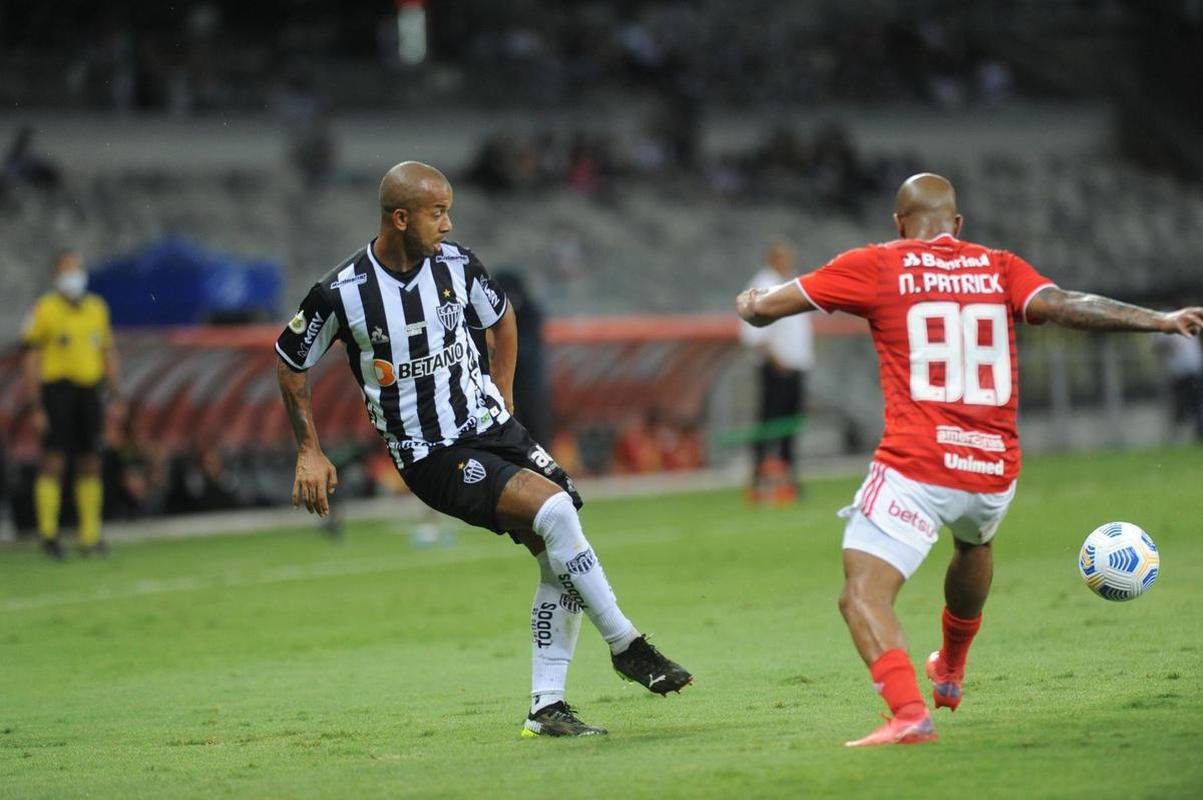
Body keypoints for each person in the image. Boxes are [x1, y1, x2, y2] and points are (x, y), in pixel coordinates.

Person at [735, 173, 1203, 747]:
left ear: (898, 222)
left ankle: (908, 712)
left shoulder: (877, 263)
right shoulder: (1000, 266)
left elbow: (766, 311)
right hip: (991, 468)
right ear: (957, 225)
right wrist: (1156, 319)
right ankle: (950, 670)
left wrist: (751, 302)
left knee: (862, 594)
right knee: (973, 543)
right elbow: (1065, 305)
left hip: (917, 462)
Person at [275, 161, 692, 738]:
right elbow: (291, 361)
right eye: (437, 212)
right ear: (401, 218)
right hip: (431, 452)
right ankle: (627, 644)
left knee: (558, 547)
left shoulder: (457, 264)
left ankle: (546, 708)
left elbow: (503, 319)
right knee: (555, 513)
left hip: (493, 427)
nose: (448, 223)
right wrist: (309, 451)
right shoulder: (342, 292)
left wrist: (504, 392)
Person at [21, 249, 120, 558]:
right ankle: (48, 535)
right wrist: (36, 405)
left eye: (77, 269)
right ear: (56, 276)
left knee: (91, 460)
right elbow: (32, 358)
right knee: (54, 460)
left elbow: (107, 351)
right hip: (57, 392)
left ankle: (90, 536)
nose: (73, 277)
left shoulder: (97, 308)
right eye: (67, 271)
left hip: (89, 392)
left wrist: (115, 395)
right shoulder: (44, 310)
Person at [739, 241, 814, 504]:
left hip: (794, 366)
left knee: (788, 426)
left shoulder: (788, 282)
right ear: (772, 258)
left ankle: (786, 478)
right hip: (776, 369)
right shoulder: (763, 285)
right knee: (770, 425)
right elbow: (753, 335)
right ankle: (760, 479)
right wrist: (777, 361)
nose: (788, 262)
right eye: (784, 258)